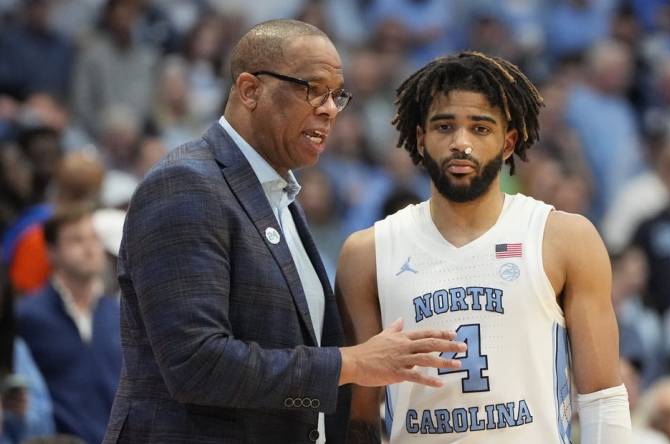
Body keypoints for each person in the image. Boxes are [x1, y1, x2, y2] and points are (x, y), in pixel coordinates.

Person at [104, 19, 466, 444]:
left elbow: (276, 389)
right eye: (312, 88)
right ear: (249, 90)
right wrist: (352, 363)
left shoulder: (277, 198)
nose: (329, 109)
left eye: (336, 96)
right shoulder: (186, 184)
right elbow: (196, 366)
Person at [336, 51, 631, 443]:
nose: (461, 143)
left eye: (480, 128)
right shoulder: (366, 254)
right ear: (421, 139)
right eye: (444, 127)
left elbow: (603, 399)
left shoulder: (563, 238)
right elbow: (360, 420)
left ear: (508, 142)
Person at [15, 204, 120, 444]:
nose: (90, 248)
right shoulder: (28, 316)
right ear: (51, 251)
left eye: (93, 238)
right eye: (76, 240)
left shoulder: (119, 313)